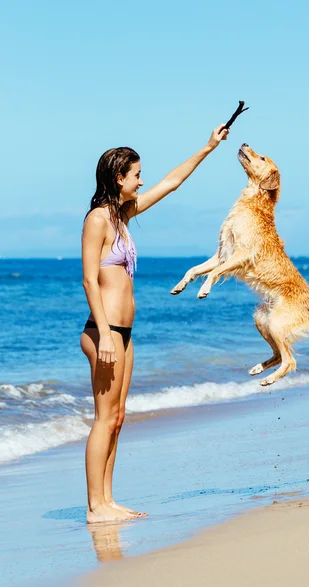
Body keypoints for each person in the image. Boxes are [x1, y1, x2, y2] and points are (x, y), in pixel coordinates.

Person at [80, 124, 229, 523]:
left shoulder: (123, 215)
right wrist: (107, 333)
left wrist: (209, 147)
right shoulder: (98, 219)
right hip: (104, 331)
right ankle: (96, 507)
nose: (142, 180)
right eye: (136, 174)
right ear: (119, 177)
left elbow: (171, 183)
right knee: (103, 418)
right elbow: (89, 279)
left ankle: (109, 501)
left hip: (123, 333)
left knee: (118, 417)